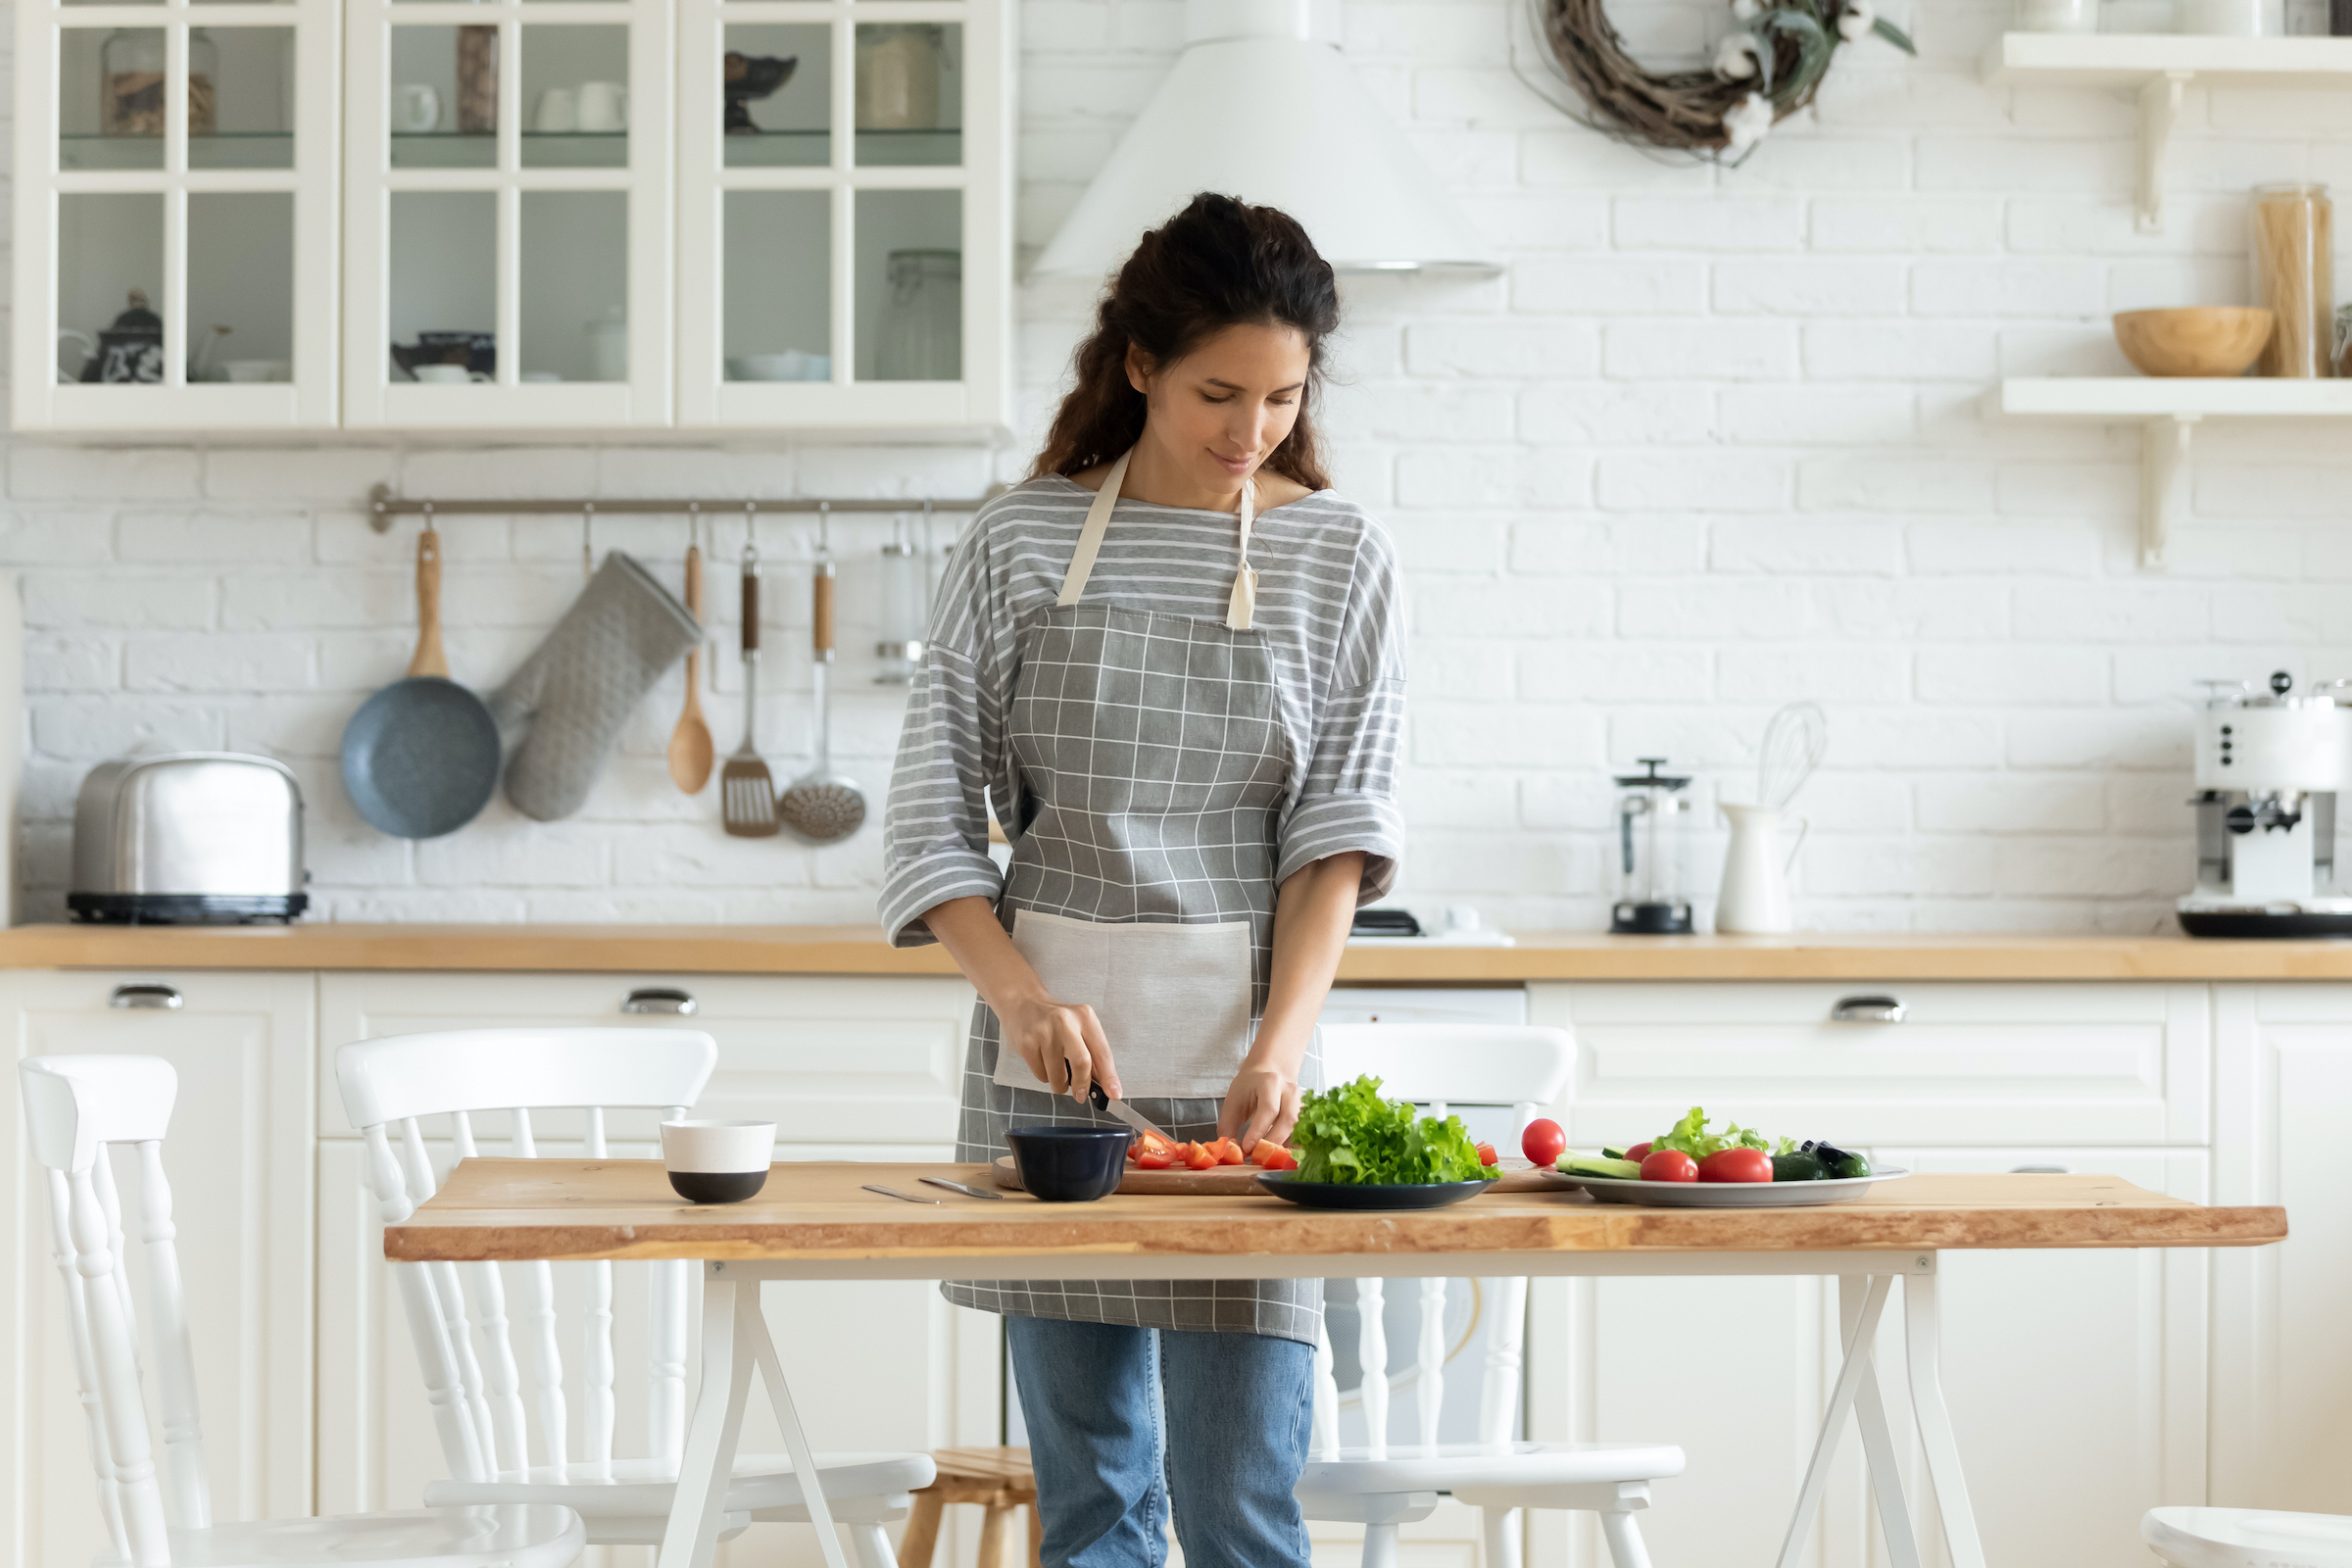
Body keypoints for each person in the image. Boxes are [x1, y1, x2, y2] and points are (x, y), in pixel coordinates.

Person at [878, 191, 1404, 1567]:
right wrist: (1017, 1003)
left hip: (1246, 1080)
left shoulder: (1340, 556)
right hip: (1049, 1095)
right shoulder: (1018, 541)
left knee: (1244, 1508)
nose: (1251, 435)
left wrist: (1284, 1044)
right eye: (1219, 394)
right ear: (1138, 367)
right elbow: (934, 820)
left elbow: (1334, 836)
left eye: (1284, 399)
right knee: (1098, 1509)